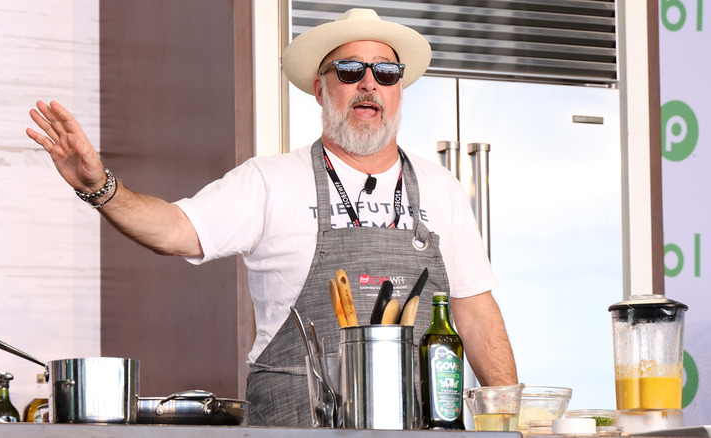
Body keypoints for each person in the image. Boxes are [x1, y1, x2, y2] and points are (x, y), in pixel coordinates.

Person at [26, 8, 517, 427]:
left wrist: (513, 422)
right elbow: (175, 231)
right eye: (349, 70)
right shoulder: (269, 180)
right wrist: (99, 187)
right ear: (319, 88)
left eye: (385, 73)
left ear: (398, 91)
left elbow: (475, 314)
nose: (369, 84)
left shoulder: (443, 188)